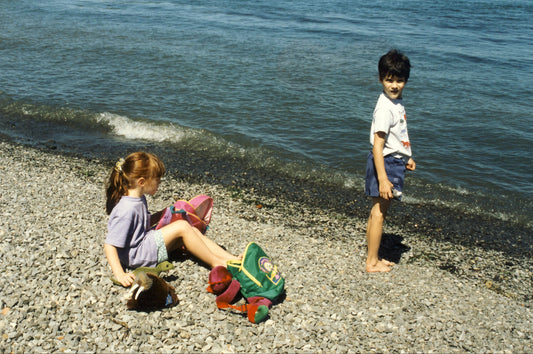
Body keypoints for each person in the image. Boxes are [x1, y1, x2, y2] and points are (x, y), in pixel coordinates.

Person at [104, 151, 238, 287]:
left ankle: (229, 258)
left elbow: (140, 224)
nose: (160, 183)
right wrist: (120, 274)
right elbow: (110, 244)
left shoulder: (138, 199)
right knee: (182, 227)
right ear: (141, 182)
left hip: (143, 245)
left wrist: (162, 214)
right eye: (157, 179)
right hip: (138, 255)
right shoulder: (126, 209)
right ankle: (216, 263)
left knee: (190, 230)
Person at [364, 49, 416, 273]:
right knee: (379, 213)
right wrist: (383, 179)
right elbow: (378, 146)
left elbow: (397, 134)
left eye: (399, 80)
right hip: (385, 163)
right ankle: (371, 262)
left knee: (376, 212)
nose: (394, 85)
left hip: (394, 160)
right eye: (389, 80)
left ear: (406, 80)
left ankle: (373, 257)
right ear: (380, 79)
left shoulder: (394, 102)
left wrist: (407, 155)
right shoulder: (385, 108)